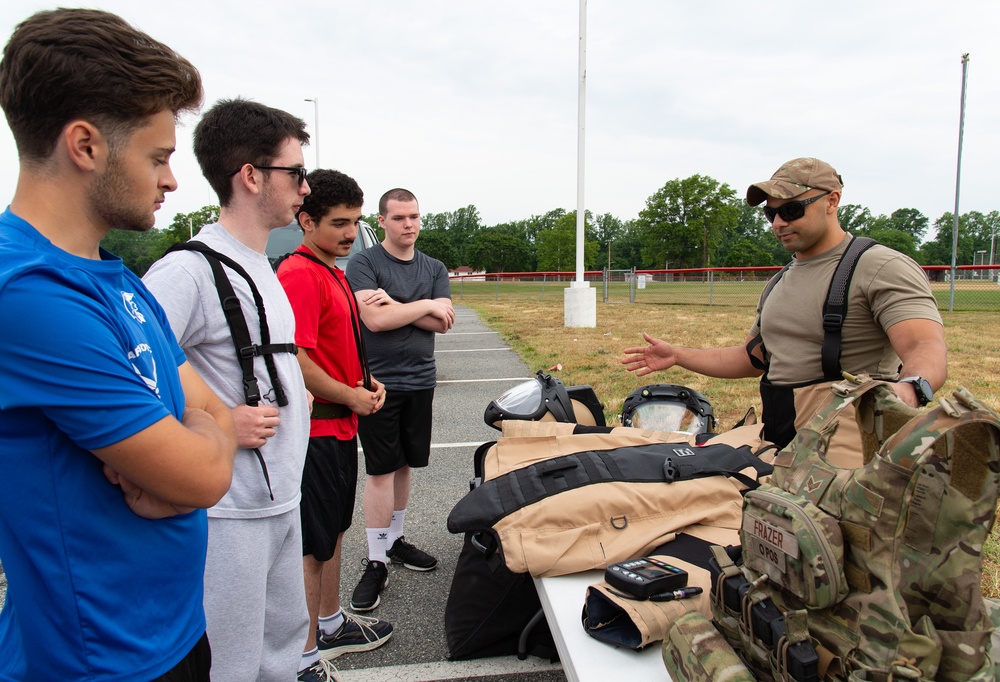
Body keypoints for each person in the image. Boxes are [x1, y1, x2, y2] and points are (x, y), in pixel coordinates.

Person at [0, 9, 238, 681]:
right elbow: (207, 472)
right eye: (158, 157)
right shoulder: (27, 293)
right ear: (85, 145)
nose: (170, 180)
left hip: (174, 628)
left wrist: (199, 447)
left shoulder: (113, 277)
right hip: (95, 660)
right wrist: (197, 460)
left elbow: (212, 416)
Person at [143, 99, 315, 682]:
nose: (305, 187)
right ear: (251, 176)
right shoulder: (187, 271)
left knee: (282, 649)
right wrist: (215, 421)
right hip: (229, 515)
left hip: (280, 498)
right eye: (295, 173)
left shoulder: (262, 263)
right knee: (230, 663)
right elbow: (128, 369)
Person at [623, 157, 945, 452]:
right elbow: (752, 359)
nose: (777, 223)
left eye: (790, 210)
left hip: (842, 448)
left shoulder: (878, 267)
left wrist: (910, 390)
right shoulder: (780, 281)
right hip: (779, 439)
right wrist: (678, 355)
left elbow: (924, 345)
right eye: (770, 213)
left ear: (832, 201)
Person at [276, 170, 394, 675]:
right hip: (316, 433)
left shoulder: (333, 271)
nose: (350, 233)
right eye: (338, 223)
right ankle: (302, 660)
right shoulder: (300, 273)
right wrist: (350, 395)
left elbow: (336, 345)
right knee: (310, 548)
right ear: (305, 220)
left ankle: (330, 623)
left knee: (333, 534)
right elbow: (296, 358)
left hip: (341, 426)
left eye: (356, 222)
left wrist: (366, 379)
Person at [345, 188, 454, 612]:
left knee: (406, 464)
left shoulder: (434, 266)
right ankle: (375, 561)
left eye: (414, 217)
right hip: (378, 384)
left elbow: (443, 323)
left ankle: (394, 541)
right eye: (400, 217)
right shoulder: (365, 263)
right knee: (379, 470)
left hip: (420, 382)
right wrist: (423, 304)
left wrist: (398, 303)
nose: (409, 224)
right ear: (383, 221)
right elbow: (373, 317)